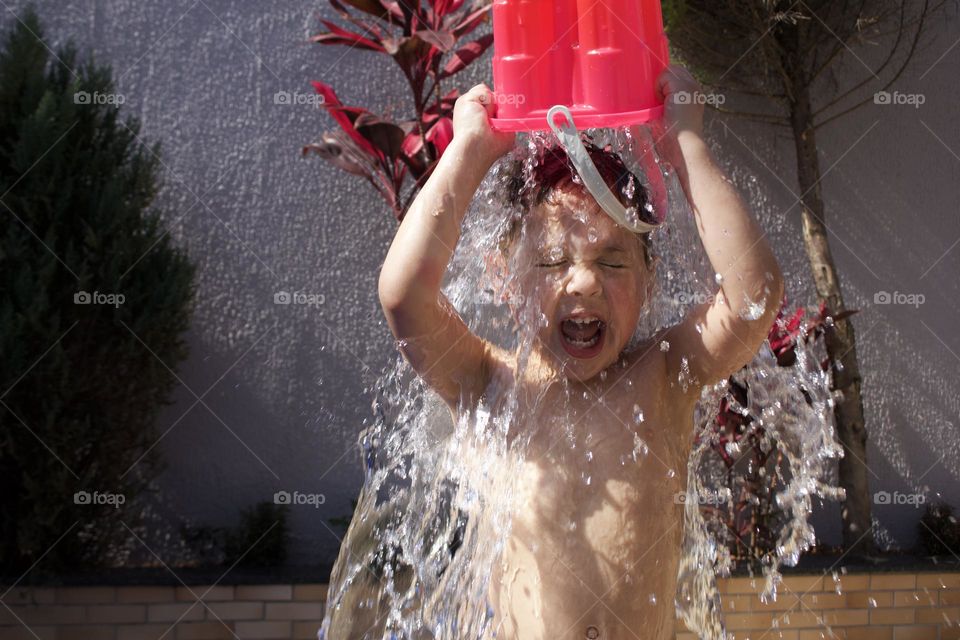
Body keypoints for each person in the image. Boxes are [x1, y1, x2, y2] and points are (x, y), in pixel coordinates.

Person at [377, 65, 784, 639]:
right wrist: (469, 152)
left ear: (648, 278)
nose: (584, 284)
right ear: (504, 275)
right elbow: (405, 296)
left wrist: (684, 143)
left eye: (613, 261)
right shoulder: (486, 382)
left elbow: (753, 295)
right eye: (550, 261)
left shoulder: (665, 372)